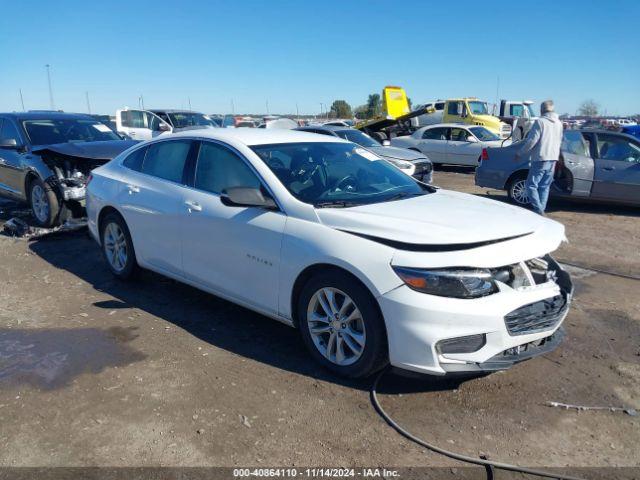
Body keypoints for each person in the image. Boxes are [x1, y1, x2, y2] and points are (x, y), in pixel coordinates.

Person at [515, 100, 564, 215]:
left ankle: (539, 210)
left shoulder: (540, 122)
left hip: (541, 157)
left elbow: (532, 141)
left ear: (542, 110)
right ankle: (541, 210)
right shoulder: (559, 123)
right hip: (553, 157)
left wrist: (520, 153)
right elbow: (560, 141)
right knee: (544, 186)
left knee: (530, 185)